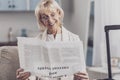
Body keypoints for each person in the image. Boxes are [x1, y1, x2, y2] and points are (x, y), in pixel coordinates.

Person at [16, 0, 89, 80]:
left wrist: (83, 78)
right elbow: (32, 75)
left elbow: (80, 72)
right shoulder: (36, 41)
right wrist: (25, 77)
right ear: (41, 21)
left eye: (53, 15)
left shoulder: (74, 39)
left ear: (59, 14)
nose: (50, 20)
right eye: (45, 17)